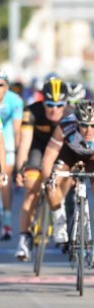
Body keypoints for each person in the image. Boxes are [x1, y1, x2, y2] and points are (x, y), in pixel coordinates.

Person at [40, 99, 94, 267]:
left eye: (93, 125)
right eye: (84, 125)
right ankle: (59, 221)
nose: (88, 130)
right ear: (76, 121)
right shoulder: (65, 126)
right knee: (52, 184)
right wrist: (48, 179)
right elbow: (48, 157)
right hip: (69, 153)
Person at [14, 78, 70, 261]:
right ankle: (24, 238)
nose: (54, 109)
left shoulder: (71, 115)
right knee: (31, 190)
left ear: (66, 104)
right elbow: (24, 144)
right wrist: (21, 169)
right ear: (43, 101)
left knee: (59, 183)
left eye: (59, 105)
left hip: (61, 151)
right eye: (50, 104)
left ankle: (58, 215)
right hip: (37, 149)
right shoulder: (31, 111)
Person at [0, 70, 24, 240]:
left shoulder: (15, 101)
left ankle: (7, 220)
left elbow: (17, 130)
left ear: (7, 86)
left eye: (0, 85)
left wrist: (17, 153)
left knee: (5, 178)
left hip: (6, 141)